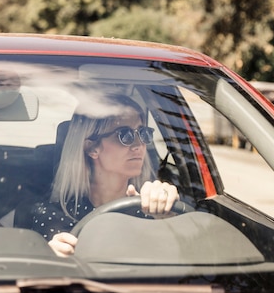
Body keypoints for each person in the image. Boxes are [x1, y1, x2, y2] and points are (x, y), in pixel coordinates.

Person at [24, 93, 178, 257]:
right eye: (124, 135)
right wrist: (50, 260)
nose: (138, 144)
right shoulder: (54, 216)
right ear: (91, 148)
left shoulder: (153, 209)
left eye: (144, 133)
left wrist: (169, 220)